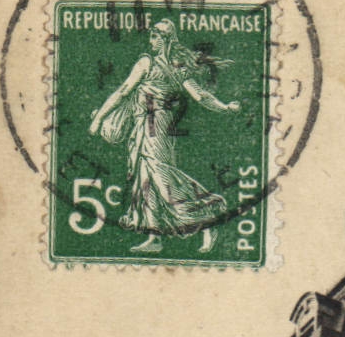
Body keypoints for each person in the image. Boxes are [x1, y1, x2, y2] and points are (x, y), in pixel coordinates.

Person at [87, 20, 241, 253]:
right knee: (145, 181)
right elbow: (124, 91)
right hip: (145, 127)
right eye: (151, 36)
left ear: (166, 39)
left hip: (156, 128)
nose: (151, 41)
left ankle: (209, 215)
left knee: (162, 179)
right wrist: (225, 107)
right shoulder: (161, 64)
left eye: (155, 36)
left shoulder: (163, 65)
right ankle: (154, 237)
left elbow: (200, 97)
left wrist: (225, 107)